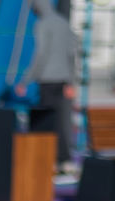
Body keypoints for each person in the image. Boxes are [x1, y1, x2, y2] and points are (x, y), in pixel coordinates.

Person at [13, 0, 78, 174]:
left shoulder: (42, 24)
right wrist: (72, 82)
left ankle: (48, 160)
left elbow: (41, 54)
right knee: (61, 120)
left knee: (46, 121)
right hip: (63, 80)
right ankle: (64, 159)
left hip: (48, 80)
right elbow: (72, 54)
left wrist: (25, 80)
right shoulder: (64, 23)